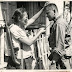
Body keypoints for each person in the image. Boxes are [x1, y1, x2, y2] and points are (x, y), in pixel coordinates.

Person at [7, 3, 46, 69]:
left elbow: (33, 19)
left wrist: (43, 9)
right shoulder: (15, 29)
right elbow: (29, 42)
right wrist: (39, 32)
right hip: (21, 60)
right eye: (26, 18)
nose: (27, 20)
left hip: (26, 57)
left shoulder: (21, 26)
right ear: (19, 18)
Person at [45, 3, 70, 69]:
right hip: (59, 57)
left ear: (54, 11)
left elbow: (60, 44)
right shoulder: (56, 22)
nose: (46, 16)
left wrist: (53, 61)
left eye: (48, 13)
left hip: (61, 58)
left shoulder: (59, 23)